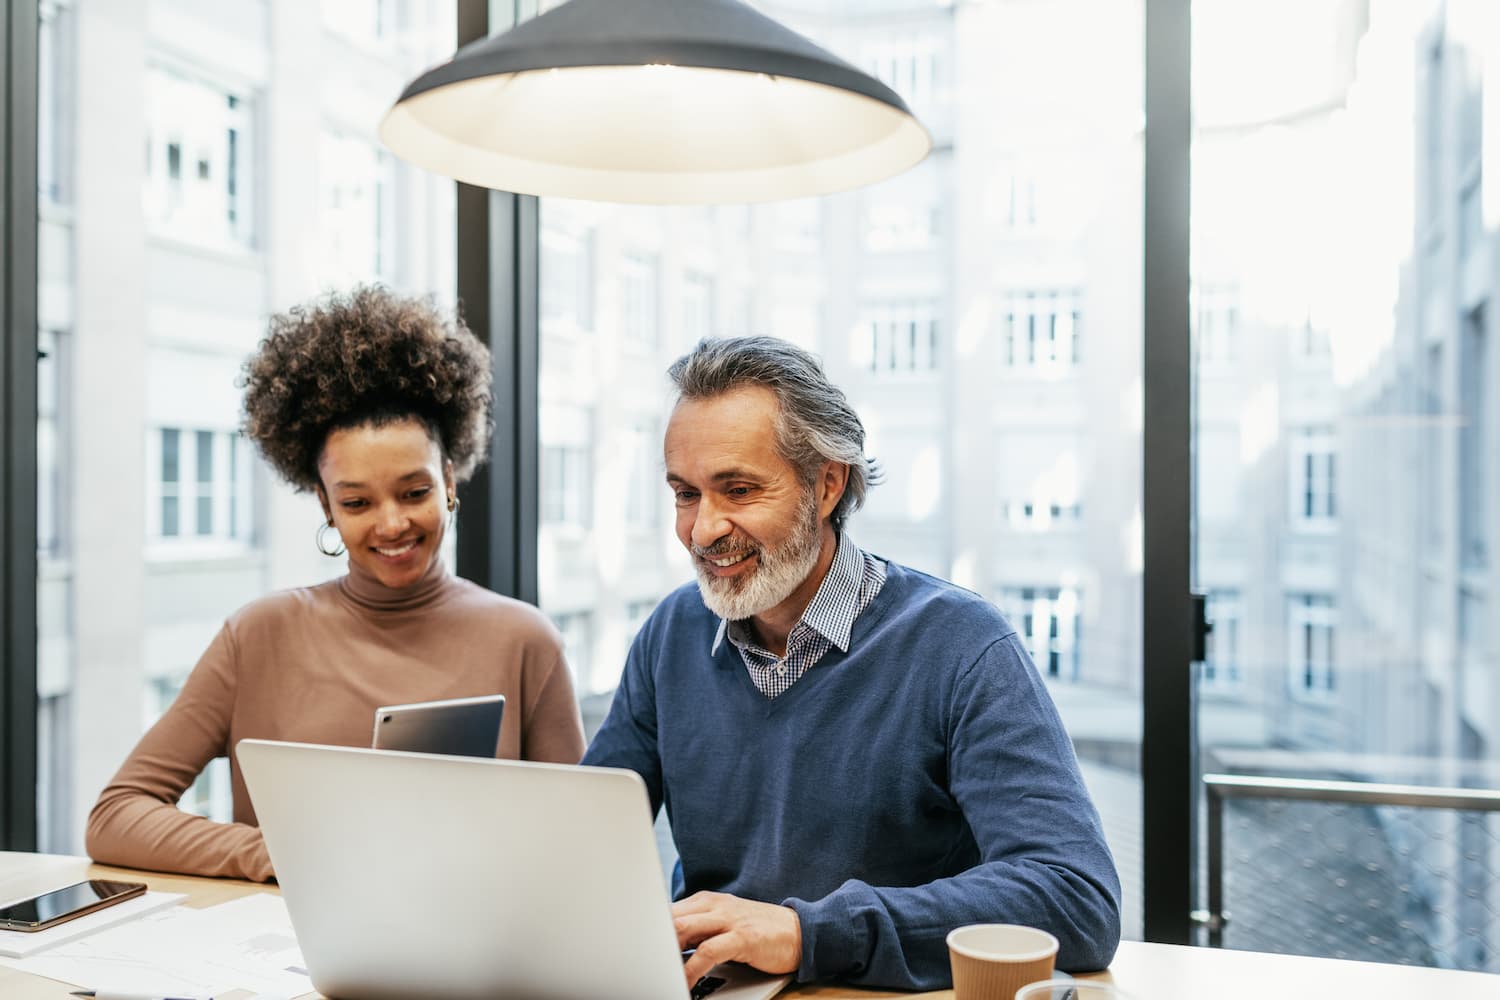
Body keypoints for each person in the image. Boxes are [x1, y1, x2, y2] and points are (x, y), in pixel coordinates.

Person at [583, 336, 1121, 992]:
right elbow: (586, 852)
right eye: (685, 494)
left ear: (828, 483)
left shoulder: (962, 645)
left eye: (739, 490)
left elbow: (1074, 895)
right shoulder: (670, 635)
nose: (702, 530)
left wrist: (810, 934)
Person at [87, 286, 586, 882]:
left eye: (415, 492)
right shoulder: (258, 636)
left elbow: (578, 843)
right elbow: (116, 815)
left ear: (450, 479)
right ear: (324, 503)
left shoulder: (525, 641)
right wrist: (269, 854)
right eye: (356, 501)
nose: (392, 523)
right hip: (280, 954)